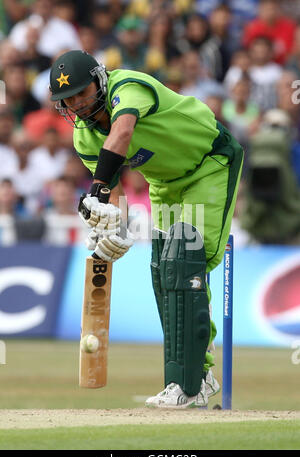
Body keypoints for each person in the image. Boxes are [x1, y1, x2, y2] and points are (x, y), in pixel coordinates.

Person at [49, 50, 244, 408]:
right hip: (165, 184)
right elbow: (116, 196)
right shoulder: (85, 137)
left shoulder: (129, 86)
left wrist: (94, 193)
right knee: (163, 270)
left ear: (100, 80)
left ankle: (194, 381)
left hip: (210, 163)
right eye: (68, 99)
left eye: (81, 92)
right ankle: (188, 379)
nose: (77, 104)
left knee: (186, 262)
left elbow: (122, 132)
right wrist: (114, 228)